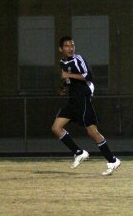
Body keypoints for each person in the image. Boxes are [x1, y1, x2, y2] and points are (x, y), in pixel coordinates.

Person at [51, 36, 121, 176]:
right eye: (66, 46)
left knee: (92, 132)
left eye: (72, 45)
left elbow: (89, 76)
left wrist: (68, 75)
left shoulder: (78, 59)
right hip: (73, 99)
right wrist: (64, 87)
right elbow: (69, 79)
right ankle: (79, 152)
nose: (70, 48)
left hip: (83, 97)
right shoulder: (62, 62)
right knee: (56, 128)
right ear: (60, 49)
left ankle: (112, 160)